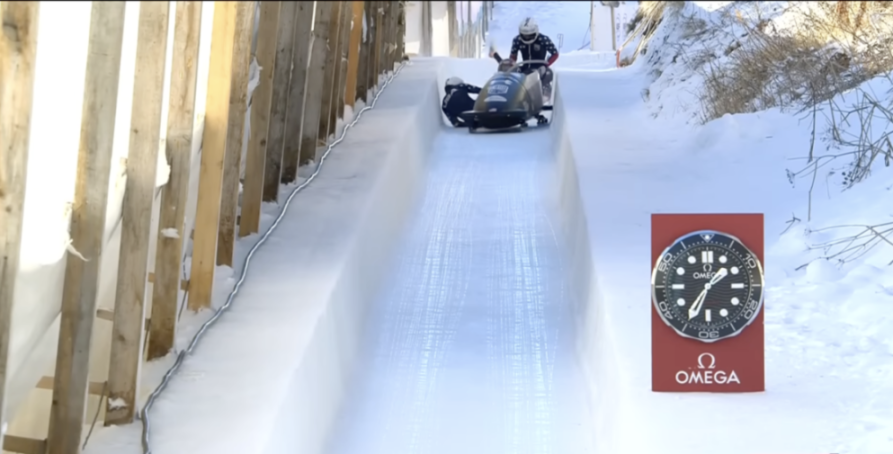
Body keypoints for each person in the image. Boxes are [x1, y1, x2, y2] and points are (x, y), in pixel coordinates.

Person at [508, 17, 559, 97]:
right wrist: (512, 64)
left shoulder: (543, 39)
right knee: (513, 78)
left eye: (530, 36)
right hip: (525, 67)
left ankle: (545, 95)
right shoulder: (517, 40)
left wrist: (546, 65)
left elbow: (555, 54)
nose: (527, 37)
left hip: (540, 68)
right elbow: (513, 56)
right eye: (524, 36)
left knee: (546, 76)